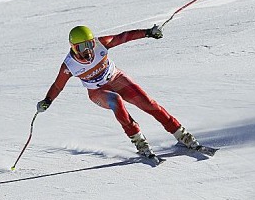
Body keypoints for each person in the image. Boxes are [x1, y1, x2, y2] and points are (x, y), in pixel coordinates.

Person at [36, 25, 201, 160]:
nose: (88, 50)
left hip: (116, 78)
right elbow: (58, 86)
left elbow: (124, 37)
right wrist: (47, 100)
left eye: (90, 44)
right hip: (97, 91)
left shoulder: (101, 44)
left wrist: (148, 33)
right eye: (82, 47)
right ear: (74, 47)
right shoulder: (69, 65)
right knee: (115, 101)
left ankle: (182, 134)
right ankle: (139, 141)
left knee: (148, 103)